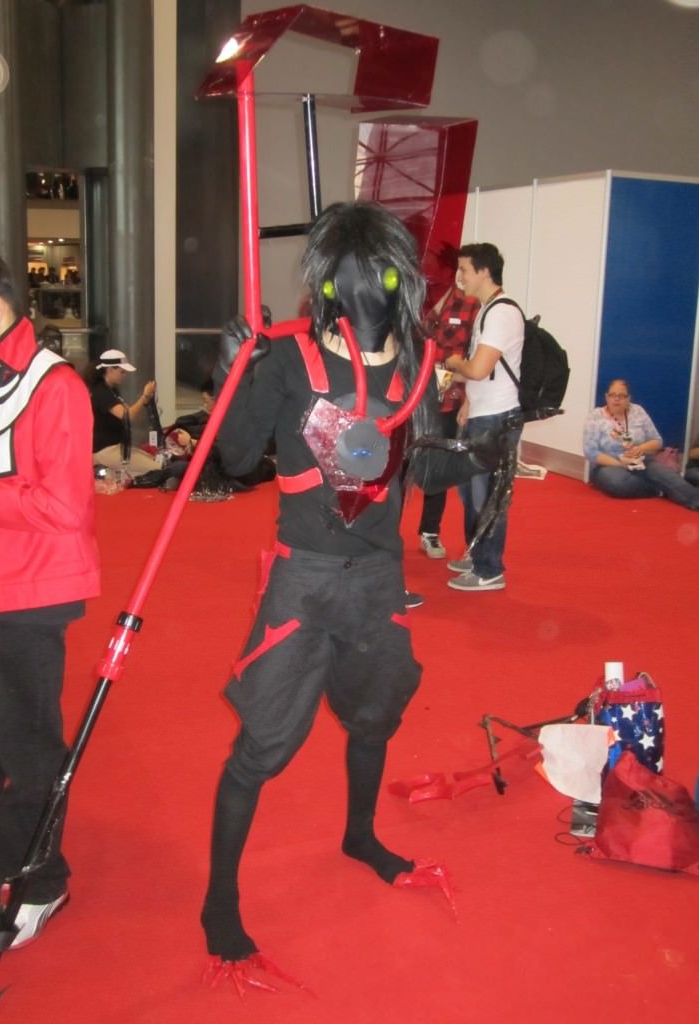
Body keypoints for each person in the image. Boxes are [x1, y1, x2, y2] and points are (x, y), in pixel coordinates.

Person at [200, 201, 477, 980]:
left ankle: (359, 833)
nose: (371, 292)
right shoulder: (288, 361)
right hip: (305, 577)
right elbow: (236, 454)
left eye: (386, 277)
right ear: (328, 284)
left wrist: (471, 450)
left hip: (378, 580)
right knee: (260, 746)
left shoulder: (418, 363)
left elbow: (421, 470)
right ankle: (220, 897)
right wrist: (237, 373)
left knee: (374, 715)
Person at [0, 245, 101, 947]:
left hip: (25, 599)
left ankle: (42, 879)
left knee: (25, 745)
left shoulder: (56, 386)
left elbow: (65, 509)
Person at [442, 243, 524, 591]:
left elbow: (477, 368)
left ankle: (489, 569)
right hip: (482, 413)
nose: (459, 277)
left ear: (484, 272)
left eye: (464, 270)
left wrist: (452, 362)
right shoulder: (488, 310)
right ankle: (478, 555)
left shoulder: (501, 313)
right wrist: (467, 403)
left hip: (496, 419)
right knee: (469, 493)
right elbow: (484, 374)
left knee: (487, 497)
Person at [417, 282, 479, 559]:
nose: (460, 275)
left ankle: (430, 531)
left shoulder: (477, 304)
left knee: (439, 466)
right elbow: (416, 332)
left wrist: (466, 394)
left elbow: (476, 357)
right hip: (414, 391)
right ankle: (385, 535)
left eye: (465, 269)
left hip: (450, 396)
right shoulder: (428, 294)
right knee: (400, 464)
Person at [583, 379, 699, 510]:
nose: (616, 399)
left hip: (640, 459)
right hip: (608, 464)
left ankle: (694, 500)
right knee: (618, 483)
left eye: (622, 396)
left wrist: (641, 448)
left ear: (629, 398)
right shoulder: (595, 416)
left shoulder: (638, 411)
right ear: (606, 397)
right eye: (612, 395)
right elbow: (590, 452)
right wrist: (621, 464)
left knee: (665, 475)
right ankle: (661, 490)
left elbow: (657, 441)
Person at [83, 349, 161, 479]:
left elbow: (129, 412)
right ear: (110, 370)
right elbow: (127, 416)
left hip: (116, 446)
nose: (124, 375)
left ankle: (112, 474)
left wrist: (146, 400)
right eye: (122, 371)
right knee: (156, 469)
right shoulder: (101, 392)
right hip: (105, 450)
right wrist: (144, 396)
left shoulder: (111, 390)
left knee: (154, 461)